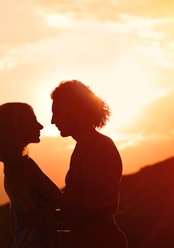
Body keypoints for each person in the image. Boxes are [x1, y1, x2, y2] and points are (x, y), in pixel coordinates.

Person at [50, 80, 128, 247]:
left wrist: (50, 217)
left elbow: (108, 205)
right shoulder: (82, 148)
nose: (53, 120)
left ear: (75, 109)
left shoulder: (101, 147)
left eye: (57, 112)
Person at [0, 102, 69, 248]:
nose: (40, 126)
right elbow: (62, 201)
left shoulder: (12, 167)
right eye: (33, 121)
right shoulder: (24, 166)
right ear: (18, 127)